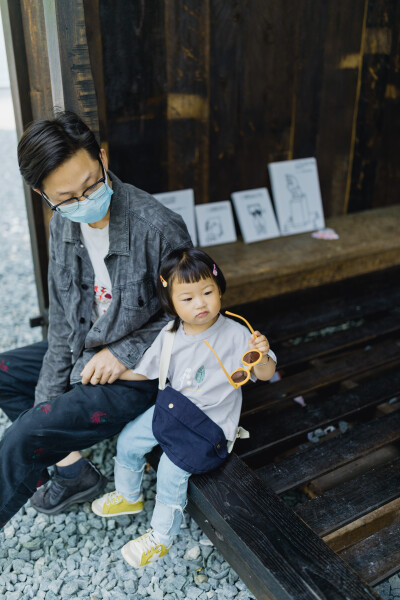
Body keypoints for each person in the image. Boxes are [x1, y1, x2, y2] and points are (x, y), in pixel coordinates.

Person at [0, 110, 192, 527]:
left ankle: (53, 459)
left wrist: (122, 353)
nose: (84, 200)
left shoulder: (156, 227)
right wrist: (47, 403)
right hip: (83, 349)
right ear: (42, 194)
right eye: (67, 198)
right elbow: (64, 324)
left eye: (91, 184)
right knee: (11, 385)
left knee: (21, 439)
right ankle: (72, 470)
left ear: (102, 158)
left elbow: (192, 318)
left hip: (139, 374)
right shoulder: (62, 227)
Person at [91, 247, 277, 568]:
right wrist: (114, 371)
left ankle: (161, 537)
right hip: (174, 408)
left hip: (209, 424)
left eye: (207, 292)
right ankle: (129, 495)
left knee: (170, 471)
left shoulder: (235, 334)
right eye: (187, 298)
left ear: (219, 289)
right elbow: (147, 369)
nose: (200, 303)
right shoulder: (171, 333)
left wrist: (262, 354)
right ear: (171, 303)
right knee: (129, 440)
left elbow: (265, 373)